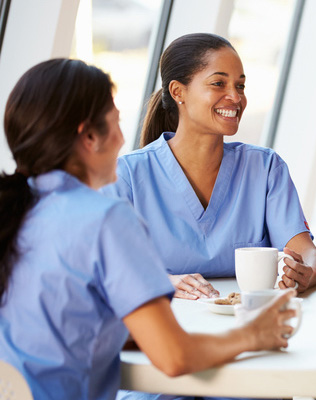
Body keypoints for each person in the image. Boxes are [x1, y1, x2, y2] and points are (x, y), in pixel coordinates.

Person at [0, 58, 298, 400]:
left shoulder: (18, 210)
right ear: (90, 136)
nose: (123, 138)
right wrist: (253, 334)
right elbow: (174, 357)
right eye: (116, 123)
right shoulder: (104, 218)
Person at [102, 33, 316, 299]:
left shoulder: (265, 168)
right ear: (178, 92)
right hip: (168, 324)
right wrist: (163, 282)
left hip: (248, 320)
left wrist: (304, 272)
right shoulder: (126, 176)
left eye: (240, 86)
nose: (235, 97)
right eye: (219, 83)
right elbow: (107, 267)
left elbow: (306, 252)